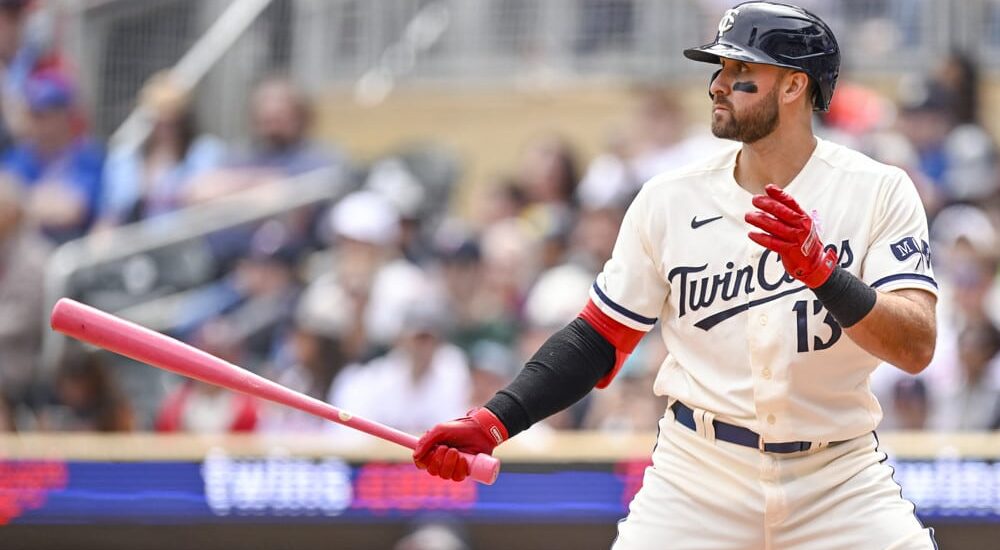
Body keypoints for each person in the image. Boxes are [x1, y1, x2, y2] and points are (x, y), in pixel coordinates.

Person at [411, 3, 938, 549]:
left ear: (793, 86)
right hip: (699, 477)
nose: (718, 85)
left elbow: (916, 345)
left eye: (741, 73)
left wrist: (826, 276)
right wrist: (496, 420)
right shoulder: (669, 198)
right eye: (719, 69)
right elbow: (597, 338)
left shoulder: (877, 189)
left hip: (839, 478)